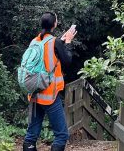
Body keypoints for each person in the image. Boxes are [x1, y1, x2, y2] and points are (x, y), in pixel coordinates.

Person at [23, 12, 77, 151]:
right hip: (49, 95)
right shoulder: (55, 42)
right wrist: (68, 42)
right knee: (61, 135)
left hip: (34, 92)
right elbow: (68, 60)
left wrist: (61, 40)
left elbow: (47, 53)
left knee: (31, 136)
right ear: (55, 24)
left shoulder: (35, 41)